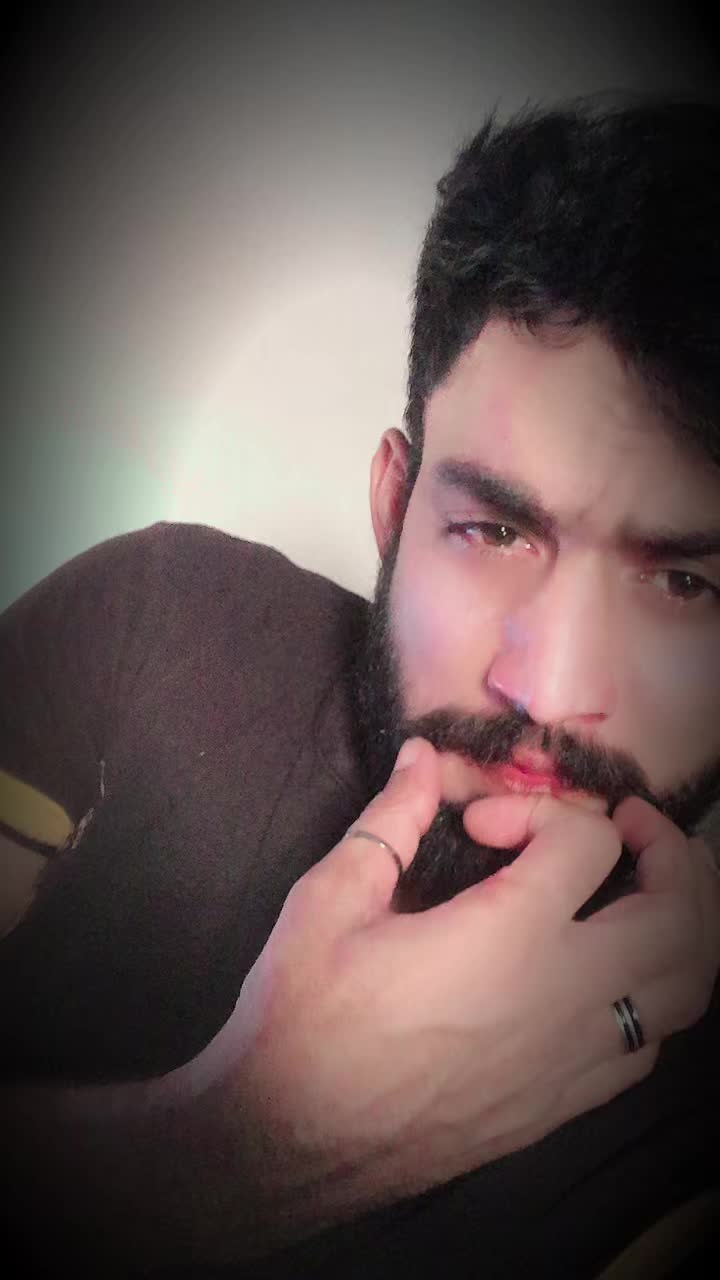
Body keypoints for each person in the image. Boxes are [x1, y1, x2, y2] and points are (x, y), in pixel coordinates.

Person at [2, 94, 720, 1278]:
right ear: (393, 505)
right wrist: (245, 1150)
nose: (549, 690)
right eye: (495, 530)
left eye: (683, 581)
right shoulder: (160, 621)